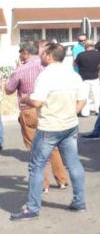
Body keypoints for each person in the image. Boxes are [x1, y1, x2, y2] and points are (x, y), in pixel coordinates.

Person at [10, 43, 88, 221]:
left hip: (50, 126)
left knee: (36, 166)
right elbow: (82, 99)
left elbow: (37, 101)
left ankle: (32, 208)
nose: (40, 56)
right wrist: (70, 112)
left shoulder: (46, 75)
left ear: (50, 56)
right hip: (69, 124)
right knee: (73, 163)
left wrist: (25, 97)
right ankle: (79, 201)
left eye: (43, 54)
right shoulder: (72, 74)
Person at [6, 42, 69, 191]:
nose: (20, 56)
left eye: (20, 53)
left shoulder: (21, 70)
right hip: (47, 108)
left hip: (29, 109)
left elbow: (9, 90)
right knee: (52, 146)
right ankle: (62, 180)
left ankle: (42, 184)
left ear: (26, 53)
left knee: (36, 149)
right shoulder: (47, 66)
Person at [73, 39, 100, 116]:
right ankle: (98, 110)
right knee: (97, 95)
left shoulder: (80, 55)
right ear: (93, 46)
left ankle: (85, 112)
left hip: (84, 78)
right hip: (96, 77)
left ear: (85, 46)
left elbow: (74, 64)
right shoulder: (99, 54)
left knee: (84, 95)